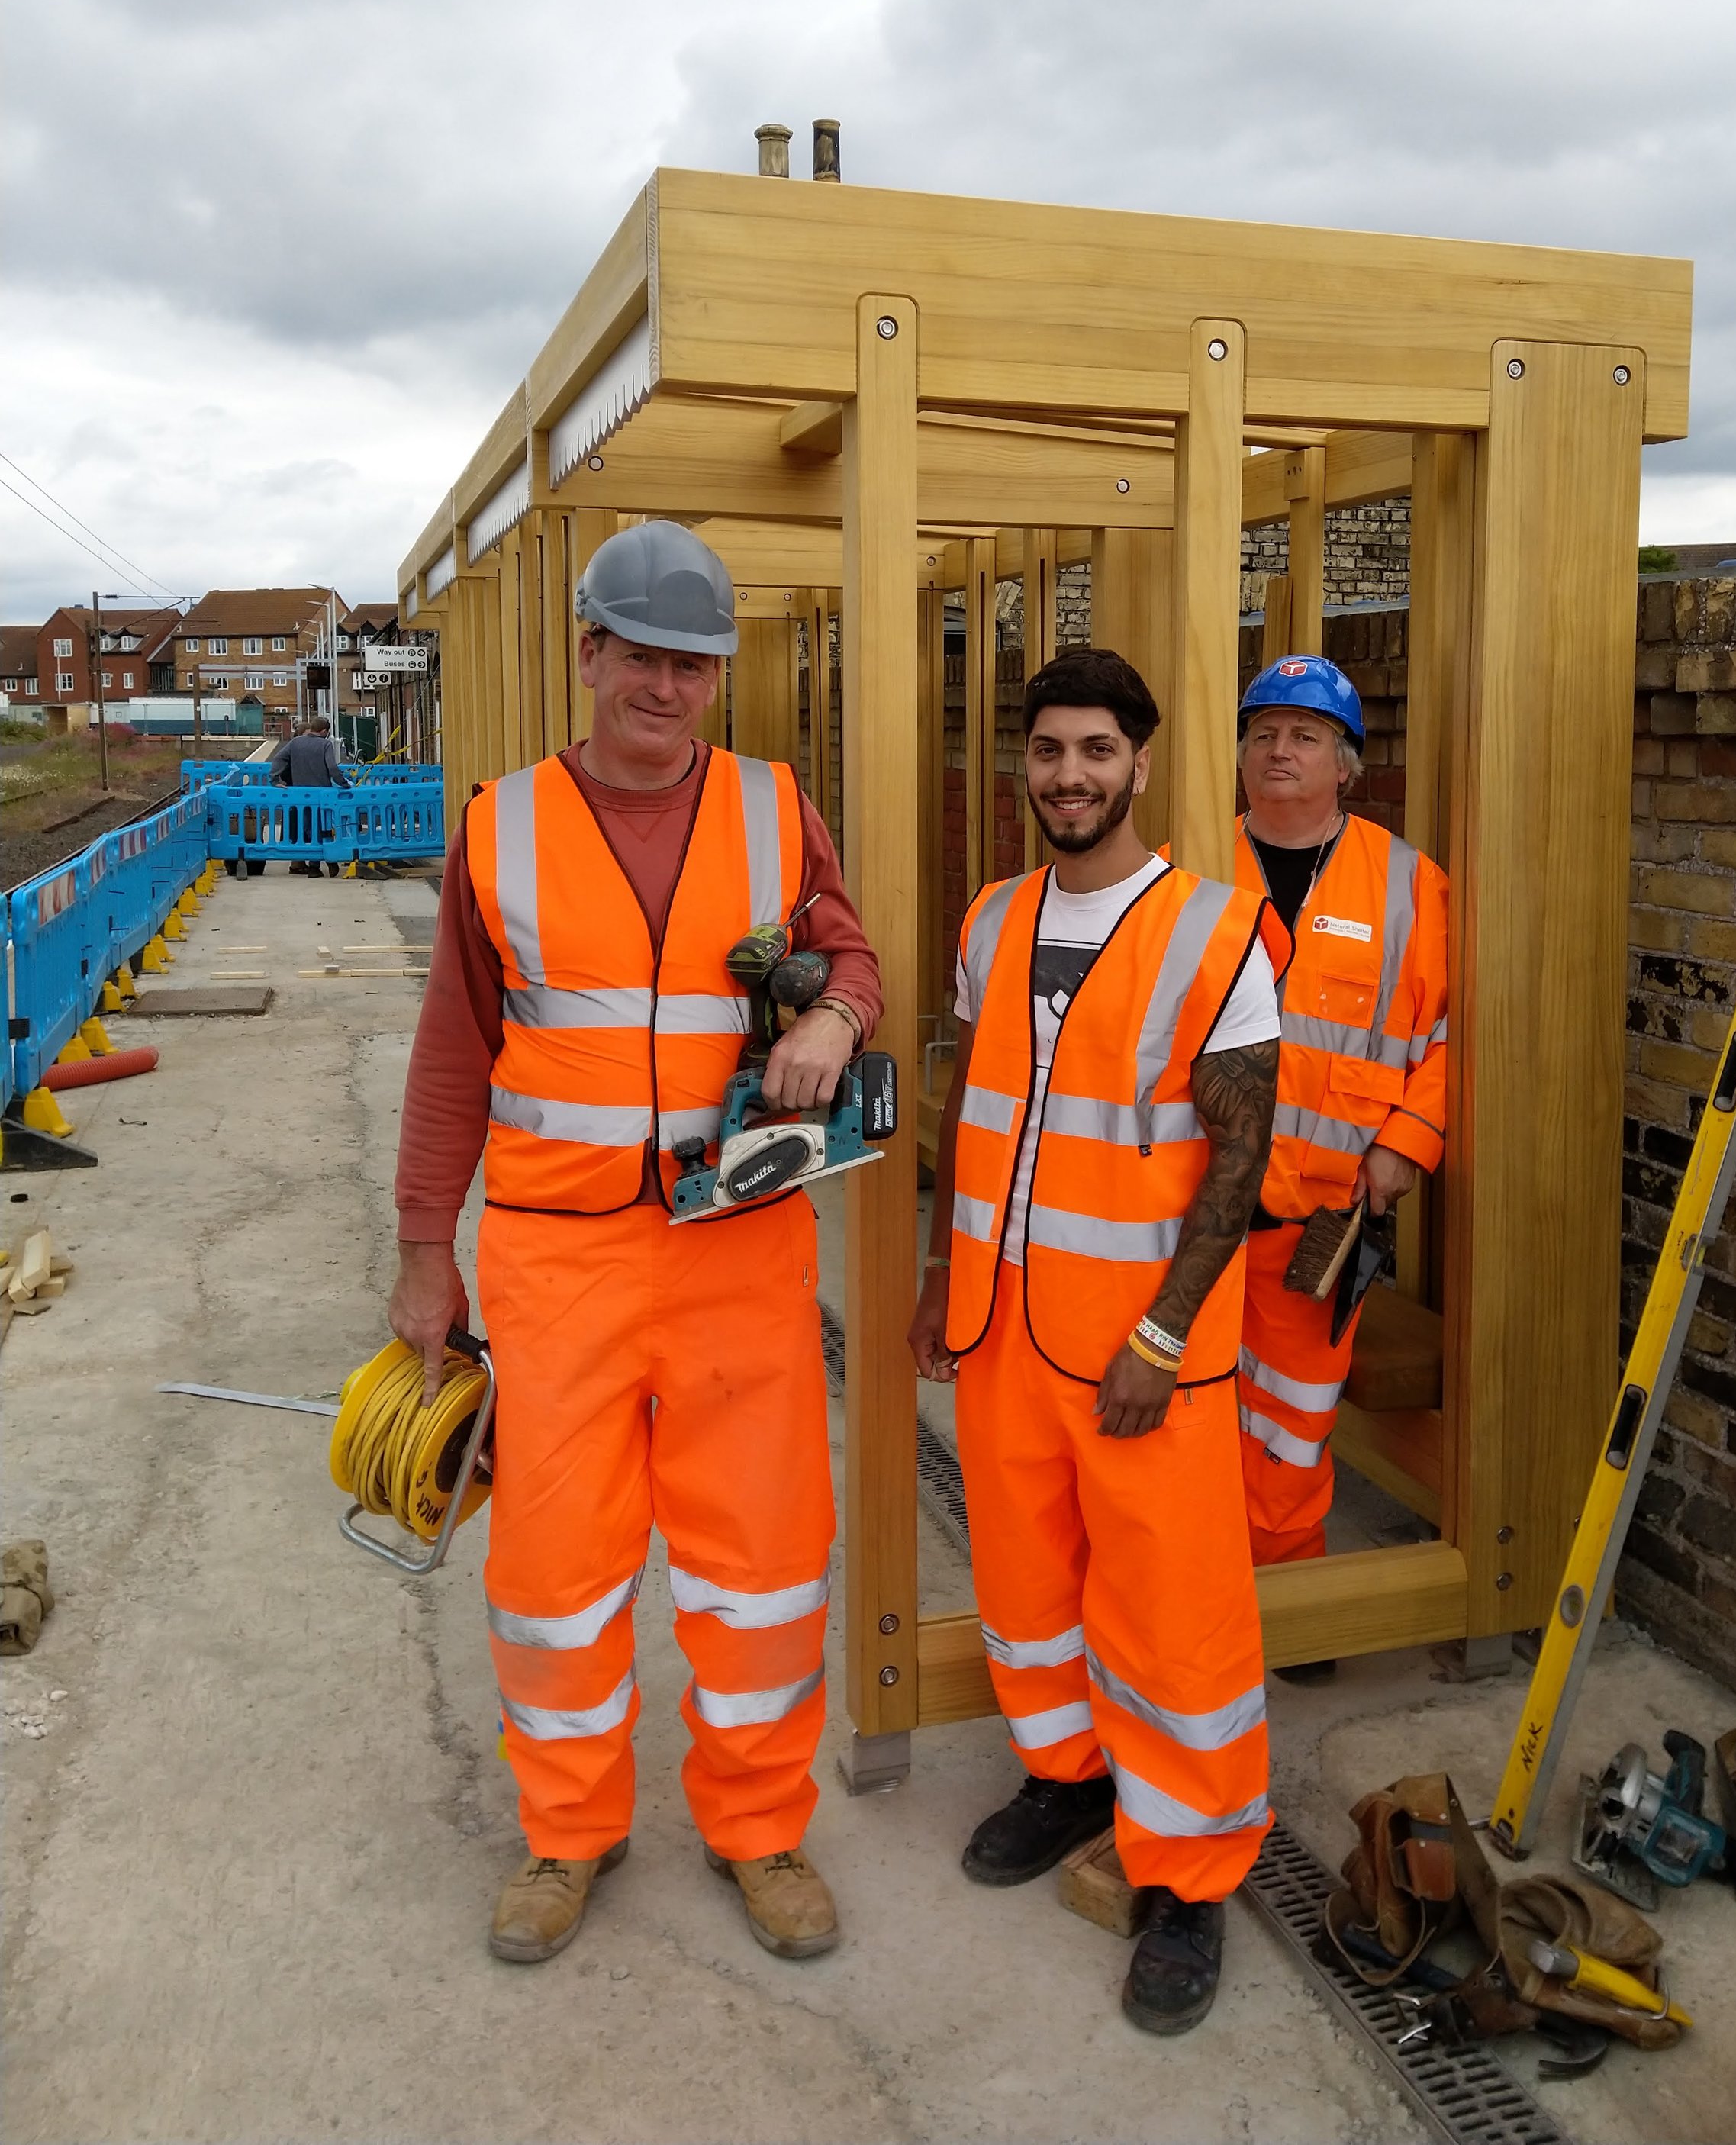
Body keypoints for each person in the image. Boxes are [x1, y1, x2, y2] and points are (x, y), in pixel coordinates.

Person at [391, 520, 882, 1967]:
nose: (666, 688)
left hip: (738, 1249)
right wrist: (430, 1246)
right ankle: (568, 1831)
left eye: (694, 663)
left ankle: (758, 1826)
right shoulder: (503, 826)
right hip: (558, 1260)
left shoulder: (774, 809)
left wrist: (834, 1015)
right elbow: (449, 1058)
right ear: (589, 654)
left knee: (763, 1558)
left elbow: (848, 951)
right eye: (642, 657)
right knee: (555, 1566)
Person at [909, 647, 1283, 2039]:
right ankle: (1067, 1773)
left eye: (1098, 751)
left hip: (1142, 1351)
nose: (1071, 773)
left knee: (1173, 1608)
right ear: (1027, 763)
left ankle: (1188, 1872)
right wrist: (936, 1276)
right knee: (1023, 1577)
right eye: (1050, 749)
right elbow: (970, 1108)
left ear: (1139, 762)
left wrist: (1169, 1330)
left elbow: (1239, 1159)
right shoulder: (995, 918)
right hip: (1006, 1327)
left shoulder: (1216, 930)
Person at [1231, 655, 1448, 1633]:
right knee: (1180, 1416)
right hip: (1187, 1206)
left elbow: (1446, 1037)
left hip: (1319, 1216)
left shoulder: (1409, 886)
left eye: (1304, 735)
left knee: (1288, 1428)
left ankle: (1291, 1613)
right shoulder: (1187, 865)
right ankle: (1198, 1598)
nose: (1279, 750)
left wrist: (1407, 1141)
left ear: (1347, 765)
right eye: (1263, 731)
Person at [270, 712, 352, 875]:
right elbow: (333, 768)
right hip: (323, 795)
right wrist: (344, 784)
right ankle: (325, 861)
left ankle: (314, 865)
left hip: (301, 795)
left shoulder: (295, 743)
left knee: (308, 828)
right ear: (324, 731)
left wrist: (275, 779)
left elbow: (278, 759)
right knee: (323, 827)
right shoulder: (325, 744)